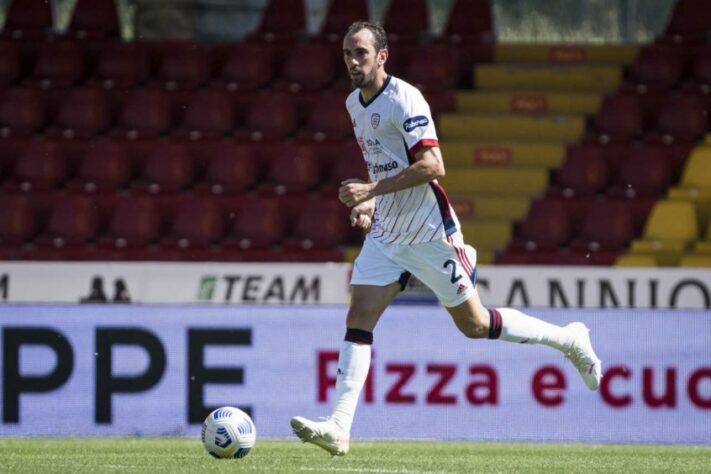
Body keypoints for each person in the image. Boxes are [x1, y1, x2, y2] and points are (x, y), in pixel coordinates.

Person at [291, 21, 602, 456]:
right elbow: (386, 167)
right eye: (347, 53)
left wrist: (371, 191)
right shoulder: (353, 104)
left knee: (474, 325)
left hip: (429, 231)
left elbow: (433, 165)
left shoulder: (405, 99)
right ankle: (339, 427)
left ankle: (569, 339)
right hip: (387, 234)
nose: (352, 61)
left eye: (361, 53)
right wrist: (372, 204)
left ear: (382, 57)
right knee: (359, 314)